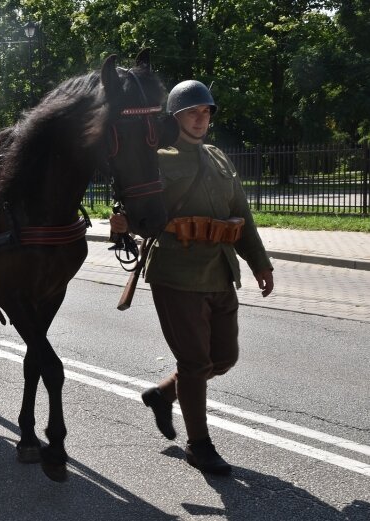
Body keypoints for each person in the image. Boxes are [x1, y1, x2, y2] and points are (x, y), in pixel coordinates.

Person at [110, 80, 274, 475]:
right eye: (192, 112)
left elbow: (242, 215)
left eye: (206, 112)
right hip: (177, 274)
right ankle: (199, 446)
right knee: (195, 362)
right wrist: (123, 223)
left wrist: (260, 262)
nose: (201, 119)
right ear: (176, 117)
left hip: (220, 270)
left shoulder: (218, 157)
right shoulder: (160, 159)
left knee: (225, 357)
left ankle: (163, 395)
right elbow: (140, 205)